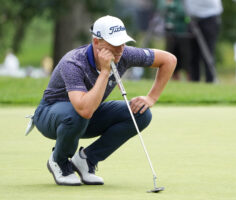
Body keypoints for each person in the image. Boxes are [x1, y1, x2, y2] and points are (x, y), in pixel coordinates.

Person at [32, 15, 176, 186]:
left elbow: (169, 60)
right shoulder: (73, 62)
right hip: (51, 115)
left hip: (85, 115)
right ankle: (59, 161)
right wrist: (105, 71)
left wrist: (151, 97)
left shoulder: (124, 53)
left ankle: (86, 160)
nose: (120, 49)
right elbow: (84, 109)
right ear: (96, 42)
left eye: (122, 42)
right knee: (77, 113)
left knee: (141, 114)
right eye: (114, 44)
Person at [184, 0, 223, 83]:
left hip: (209, 17)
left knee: (208, 52)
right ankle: (193, 81)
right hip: (192, 18)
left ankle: (210, 81)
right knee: (192, 54)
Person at [158, 0, 190, 80]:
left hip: (184, 34)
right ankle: (174, 79)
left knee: (186, 59)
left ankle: (189, 79)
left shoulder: (182, 2)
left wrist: (171, 5)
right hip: (170, 35)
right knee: (170, 56)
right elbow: (161, 8)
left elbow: (183, 12)